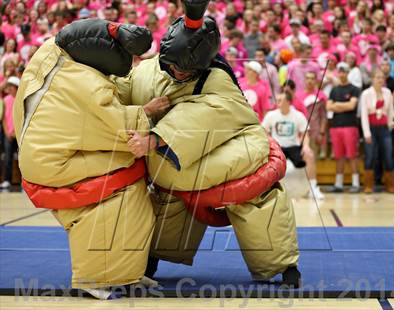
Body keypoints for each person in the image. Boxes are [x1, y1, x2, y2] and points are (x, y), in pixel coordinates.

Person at [118, 1, 300, 287]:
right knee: (171, 193)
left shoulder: (217, 78)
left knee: (254, 193)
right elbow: (122, 91)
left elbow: (212, 113)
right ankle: (153, 255)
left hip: (233, 145)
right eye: (174, 67)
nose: (178, 73)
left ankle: (282, 265)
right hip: (176, 159)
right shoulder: (147, 71)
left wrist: (155, 139)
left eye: (186, 70)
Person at [14, 19, 167, 299]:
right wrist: (146, 111)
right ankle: (93, 277)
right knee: (125, 186)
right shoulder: (84, 84)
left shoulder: (50, 55)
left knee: (136, 191)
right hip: (56, 166)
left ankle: (125, 272)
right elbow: (120, 129)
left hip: (45, 157)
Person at [263, 91, 324, 200]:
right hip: (277, 148)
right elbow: (263, 131)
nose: (277, 102)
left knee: (309, 155)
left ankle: (313, 188)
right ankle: (265, 189)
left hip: (294, 148)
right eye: (277, 100)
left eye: (280, 100)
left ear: (288, 102)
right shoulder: (271, 115)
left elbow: (305, 134)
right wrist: (268, 142)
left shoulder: (298, 115)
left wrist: (306, 146)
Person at [360, 70, 394, 193]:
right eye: (377, 77)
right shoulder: (366, 93)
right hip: (371, 128)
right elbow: (364, 115)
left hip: (384, 129)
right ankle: (368, 185)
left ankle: (391, 185)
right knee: (370, 156)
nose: (380, 80)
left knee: (388, 155)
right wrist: (367, 133)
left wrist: (390, 125)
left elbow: (391, 111)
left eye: (382, 77)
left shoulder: (388, 93)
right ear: (372, 79)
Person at [327, 62, 361, 193]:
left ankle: (356, 184)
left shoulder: (354, 89)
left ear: (348, 73)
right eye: (340, 71)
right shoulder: (334, 90)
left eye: (344, 71)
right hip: (336, 127)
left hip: (350, 126)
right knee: (339, 156)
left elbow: (352, 106)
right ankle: (338, 184)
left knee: (352, 155)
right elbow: (328, 106)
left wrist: (337, 105)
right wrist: (344, 105)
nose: (342, 74)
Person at [295, 71, 328, 160]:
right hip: (300, 134)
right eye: (308, 78)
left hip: (314, 133)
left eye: (312, 78)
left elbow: (324, 117)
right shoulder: (297, 95)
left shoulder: (321, 95)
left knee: (312, 160)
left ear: (316, 81)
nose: (310, 81)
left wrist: (321, 133)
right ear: (304, 80)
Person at [0, 76, 19, 191]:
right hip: (8, 134)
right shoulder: (5, 100)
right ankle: (7, 180)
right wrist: (7, 132)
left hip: (19, 134)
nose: (9, 89)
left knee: (22, 158)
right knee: (7, 157)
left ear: (16, 88)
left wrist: (16, 132)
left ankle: (24, 182)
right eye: (9, 86)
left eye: (11, 87)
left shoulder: (21, 100)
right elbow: (4, 119)